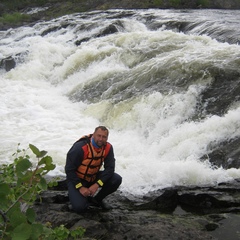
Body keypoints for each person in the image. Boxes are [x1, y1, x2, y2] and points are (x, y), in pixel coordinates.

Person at [65, 126, 122, 213]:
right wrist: (80, 187)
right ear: (93, 135)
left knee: (116, 179)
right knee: (80, 208)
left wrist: (97, 184)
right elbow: (69, 170)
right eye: (99, 136)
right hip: (77, 179)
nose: (101, 139)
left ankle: (96, 200)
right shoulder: (80, 148)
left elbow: (110, 169)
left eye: (104, 137)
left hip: (93, 177)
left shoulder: (108, 148)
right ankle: (77, 199)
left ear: (107, 138)